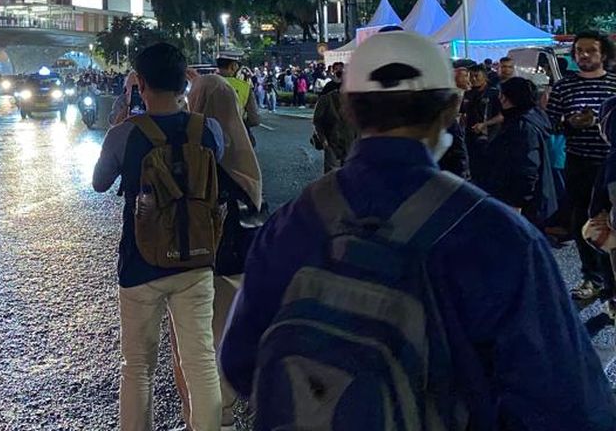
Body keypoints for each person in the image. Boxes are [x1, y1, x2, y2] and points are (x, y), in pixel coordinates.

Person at [221, 31, 616, 430]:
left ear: (348, 108)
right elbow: (566, 401)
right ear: (450, 107)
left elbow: (240, 362)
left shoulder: (293, 224)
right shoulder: (497, 234)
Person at [92, 43, 226, 431]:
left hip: (140, 263)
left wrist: (121, 113)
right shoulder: (208, 130)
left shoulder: (125, 134)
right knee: (200, 361)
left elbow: (100, 183)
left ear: (142, 83)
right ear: (184, 80)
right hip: (198, 258)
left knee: (137, 366)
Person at [173, 71, 264, 431]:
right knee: (225, 333)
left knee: (198, 341)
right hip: (237, 261)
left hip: (201, 262)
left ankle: (211, 417)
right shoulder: (241, 146)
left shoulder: (196, 144)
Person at [547, 30, 616, 303]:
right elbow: (550, 122)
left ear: (604, 54)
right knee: (584, 221)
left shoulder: (614, 83)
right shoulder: (564, 86)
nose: (584, 55)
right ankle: (593, 277)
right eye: (579, 51)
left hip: (611, 163)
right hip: (579, 162)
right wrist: (569, 123)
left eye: (591, 50)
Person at [473, 77, 555, 222]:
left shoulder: (522, 126)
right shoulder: (529, 118)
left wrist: (517, 203)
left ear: (505, 98)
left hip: (518, 205)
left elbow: (527, 167)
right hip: (519, 201)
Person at [312, 62, 354, 173]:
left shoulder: (356, 101)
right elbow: (317, 121)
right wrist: (324, 141)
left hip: (351, 145)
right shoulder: (327, 97)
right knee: (332, 177)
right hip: (332, 143)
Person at [216, 55, 260, 140]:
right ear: (233, 66)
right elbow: (254, 119)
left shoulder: (206, 85)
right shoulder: (245, 87)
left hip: (213, 135)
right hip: (238, 135)